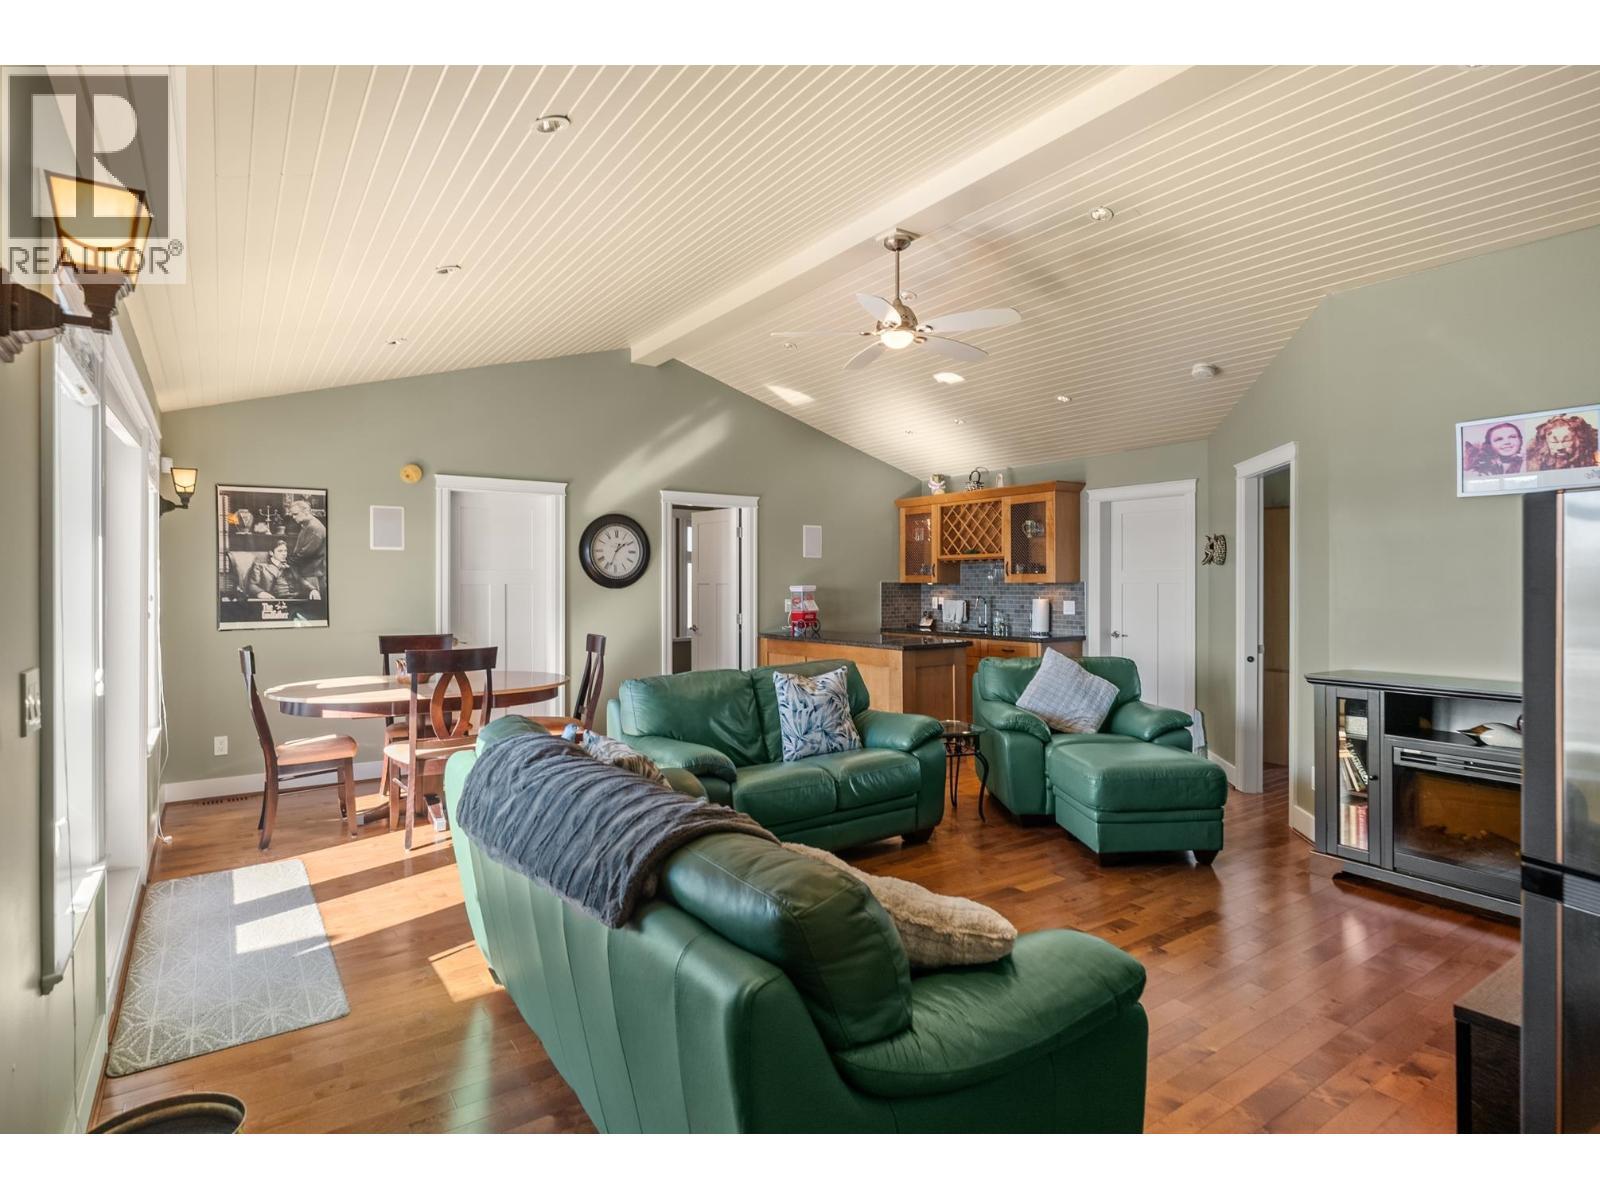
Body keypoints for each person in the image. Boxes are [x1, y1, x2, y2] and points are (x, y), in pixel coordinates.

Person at [1526, 413, 1600, 471]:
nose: (1560, 447)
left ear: (1578, 441)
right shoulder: (1535, 464)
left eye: (1566, 441)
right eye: (1554, 442)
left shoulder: (1594, 459)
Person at [285, 498, 327, 600]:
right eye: (292, 515)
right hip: (307, 575)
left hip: (313, 577)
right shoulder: (306, 525)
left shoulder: (314, 527)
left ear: (306, 512)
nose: (293, 517)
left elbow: (305, 554)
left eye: (295, 514)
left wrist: (288, 561)